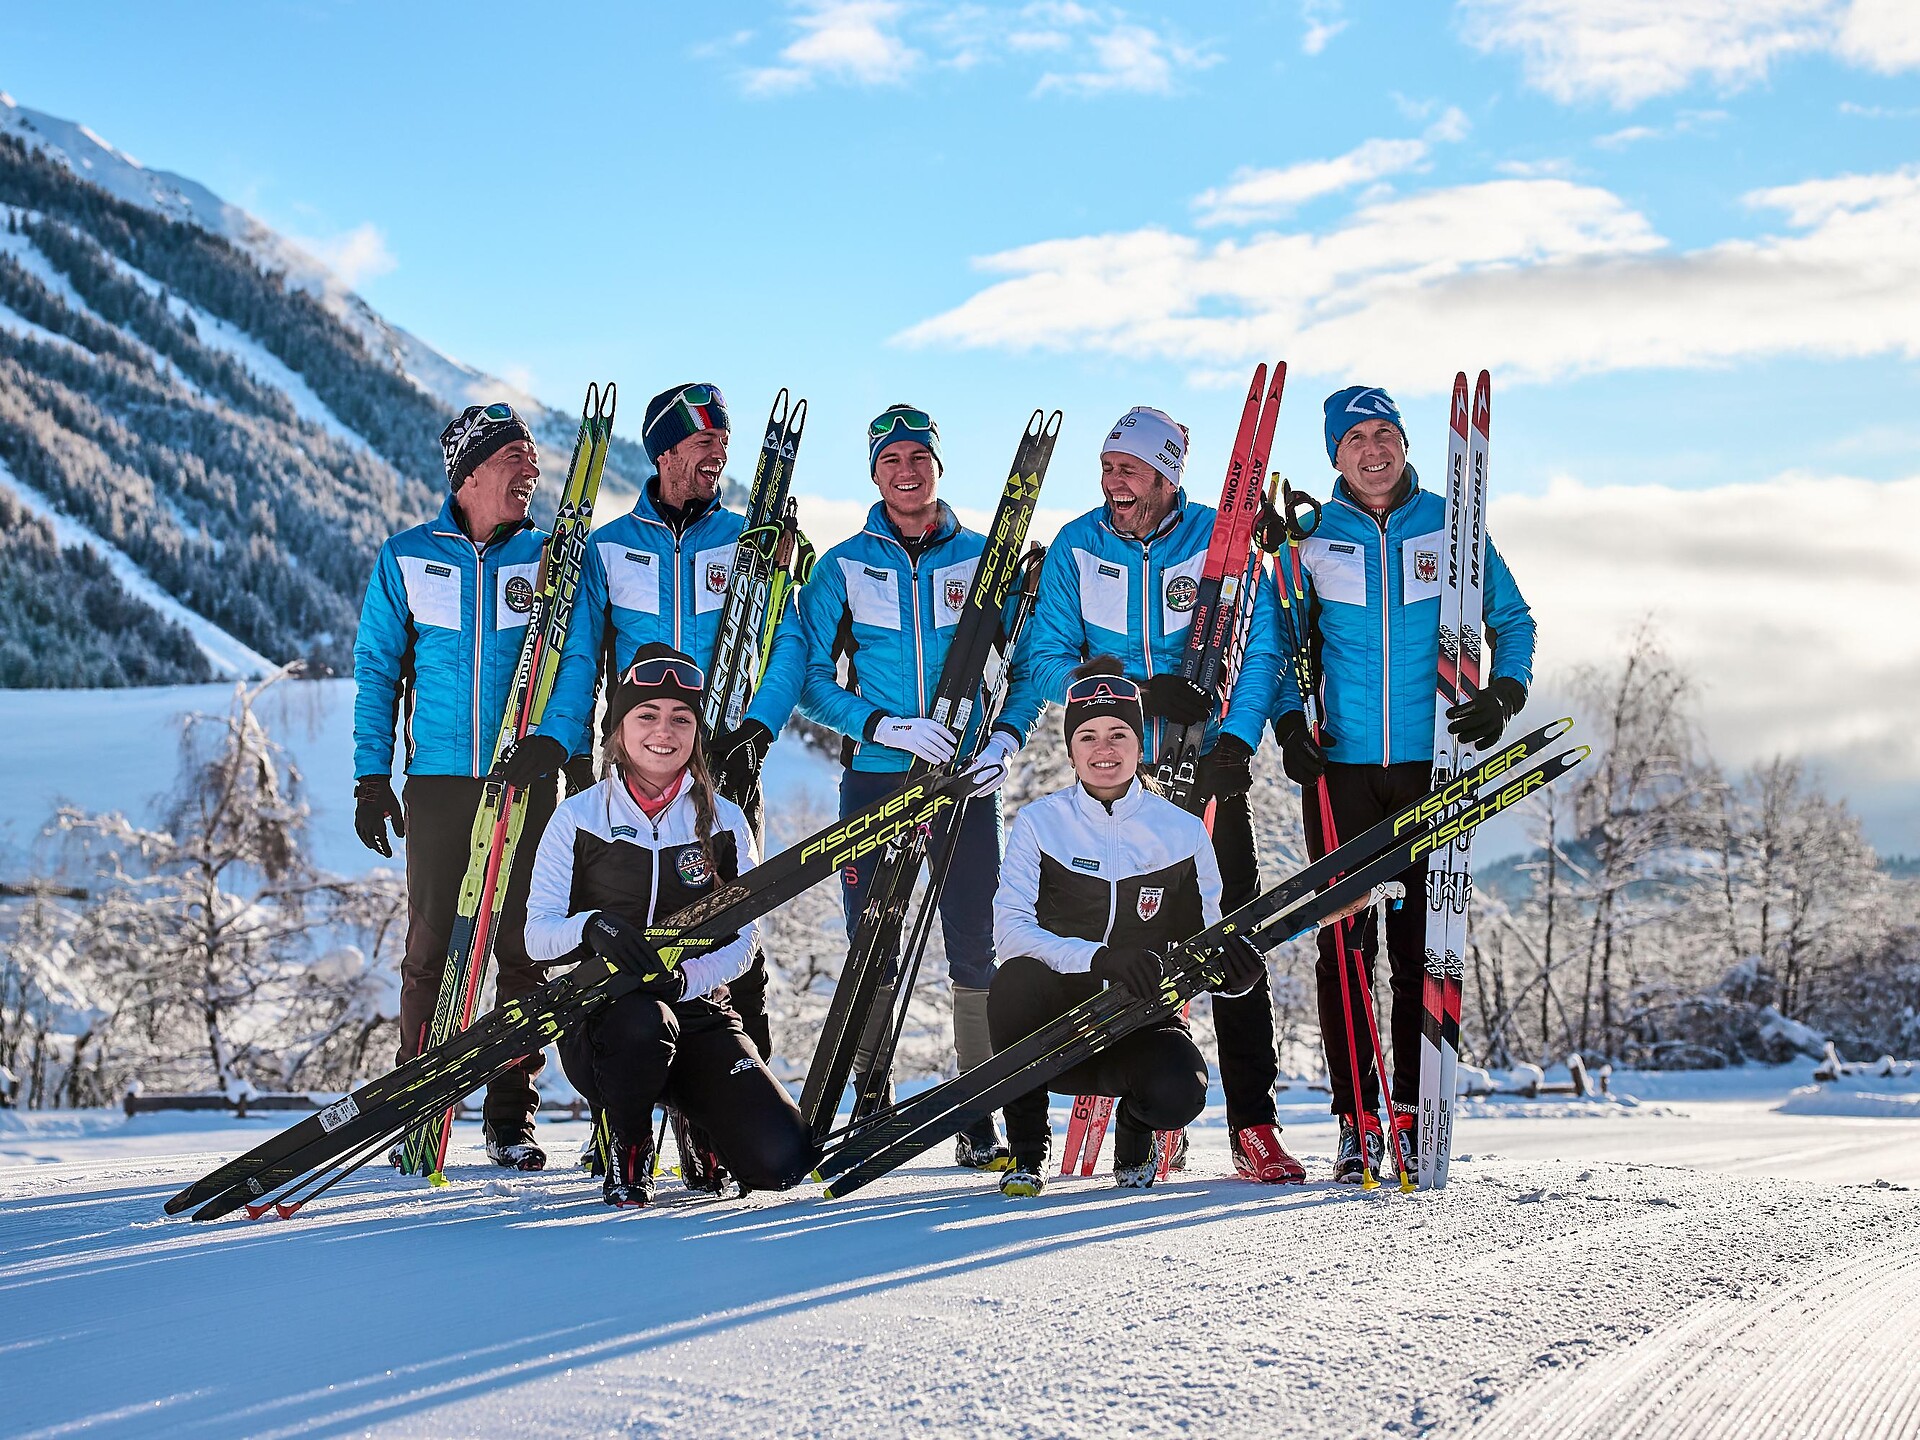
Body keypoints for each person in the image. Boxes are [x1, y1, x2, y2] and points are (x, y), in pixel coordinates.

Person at [1022, 405, 1301, 1183]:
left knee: (1229, 942)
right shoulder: (1079, 545)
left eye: (1131, 468)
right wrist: (1130, 694)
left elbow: (1263, 648)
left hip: (1204, 770)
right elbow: (1043, 658)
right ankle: (1142, 1118)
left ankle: (1254, 1125)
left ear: (1167, 476)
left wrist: (1237, 743)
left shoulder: (1219, 539)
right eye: (1108, 466)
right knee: (1118, 947)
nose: (1115, 480)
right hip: (1109, 779)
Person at [1274, 384, 1536, 1181]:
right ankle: (1359, 1116)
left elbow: (1512, 620)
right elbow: (1277, 647)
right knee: (1345, 944)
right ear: (1335, 455)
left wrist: (1505, 692)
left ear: (1406, 442)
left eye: (1385, 433)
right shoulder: (1310, 543)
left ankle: (1418, 1108)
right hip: (1343, 771)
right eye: (1355, 439)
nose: (1373, 449)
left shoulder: (1452, 529)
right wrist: (1290, 725)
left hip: (1435, 766)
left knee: (1426, 946)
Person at [793, 402, 1043, 1170]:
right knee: (876, 942)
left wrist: (1006, 737)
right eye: (892, 459)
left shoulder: (983, 558)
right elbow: (807, 680)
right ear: (874, 472)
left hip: (966, 786)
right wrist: (880, 726)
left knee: (975, 944)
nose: (907, 471)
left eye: (919, 457)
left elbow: (1031, 667)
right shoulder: (840, 566)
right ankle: (871, 1099)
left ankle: (976, 1111)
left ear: (938, 465)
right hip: (875, 783)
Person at [352, 402, 589, 1170]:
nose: (532, 470)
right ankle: (416, 1108)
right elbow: (377, 671)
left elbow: (578, 660)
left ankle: (509, 1118)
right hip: (440, 785)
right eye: (516, 456)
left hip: (524, 781)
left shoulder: (552, 558)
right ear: (470, 472)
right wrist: (369, 775)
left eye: (533, 457)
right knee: (432, 950)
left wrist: (555, 741)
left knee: (522, 952)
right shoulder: (408, 557)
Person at [543, 382, 805, 1061]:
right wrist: (572, 746)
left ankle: (741, 1100)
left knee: (736, 920)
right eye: (703, 441)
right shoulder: (609, 548)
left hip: (727, 757)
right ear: (665, 452)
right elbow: (577, 655)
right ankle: (617, 1102)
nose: (719, 453)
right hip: (635, 764)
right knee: (625, 925)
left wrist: (758, 727)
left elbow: (788, 643)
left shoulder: (749, 540)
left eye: (724, 440)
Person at [524, 644, 815, 1207]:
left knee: (782, 1160)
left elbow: (744, 943)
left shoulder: (725, 820)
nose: (665, 731)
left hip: (698, 1006)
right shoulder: (578, 816)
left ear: (697, 731)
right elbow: (536, 938)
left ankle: (698, 1117)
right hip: (607, 1021)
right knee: (641, 1022)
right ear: (620, 728)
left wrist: (686, 980)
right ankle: (627, 1149)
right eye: (647, 715)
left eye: (681, 718)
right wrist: (591, 927)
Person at [990, 661, 1266, 1195]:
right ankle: (1027, 1152)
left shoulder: (1182, 832)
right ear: (1071, 751)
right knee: (1012, 982)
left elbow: (1208, 938)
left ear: (1139, 745)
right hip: (1053, 1028)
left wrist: (1234, 975)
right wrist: (1100, 957)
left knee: (1182, 1091)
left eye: (1119, 734)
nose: (1104, 748)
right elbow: (1012, 935)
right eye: (1088, 736)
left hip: (1139, 1019)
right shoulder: (1040, 823)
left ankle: (1136, 1138)